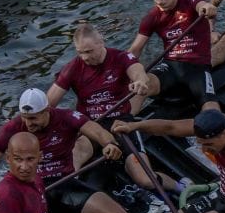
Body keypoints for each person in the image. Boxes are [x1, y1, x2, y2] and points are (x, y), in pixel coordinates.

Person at [0, 88, 132, 213]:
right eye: (24, 118)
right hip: (29, 190)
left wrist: (108, 144)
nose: (28, 124)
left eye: (33, 118)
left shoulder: (66, 117)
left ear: (47, 110)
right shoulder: (11, 128)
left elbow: (97, 130)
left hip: (64, 183)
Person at [46, 22, 181, 195]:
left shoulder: (121, 57)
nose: (84, 57)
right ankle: (69, 192)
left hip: (122, 123)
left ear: (101, 43)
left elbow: (137, 71)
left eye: (89, 51)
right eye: (80, 52)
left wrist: (140, 81)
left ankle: (180, 186)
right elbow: (48, 104)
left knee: (145, 180)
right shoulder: (72, 68)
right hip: (92, 126)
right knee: (74, 155)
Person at [128, 0, 221, 113]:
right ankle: (124, 121)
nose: (159, 2)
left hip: (198, 66)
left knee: (211, 109)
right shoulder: (152, 17)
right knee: (141, 86)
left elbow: (202, 5)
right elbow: (135, 49)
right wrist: (127, 72)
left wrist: (208, 8)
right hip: (170, 66)